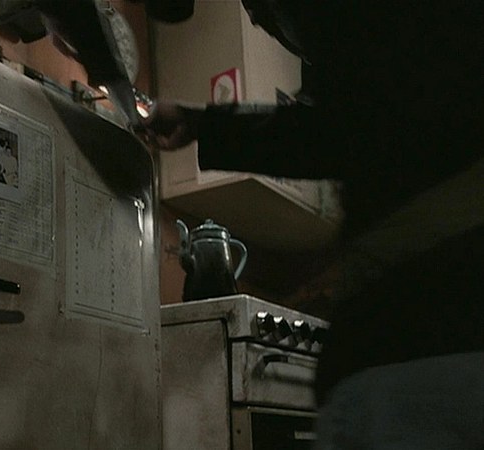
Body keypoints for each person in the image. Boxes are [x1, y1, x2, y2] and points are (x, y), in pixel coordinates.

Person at [142, 1, 484, 448]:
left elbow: (333, 129)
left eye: (261, 11)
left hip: (425, 329)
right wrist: (202, 122)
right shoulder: (408, 61)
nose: (261, 24)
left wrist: (204, 123)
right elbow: (345, 126)